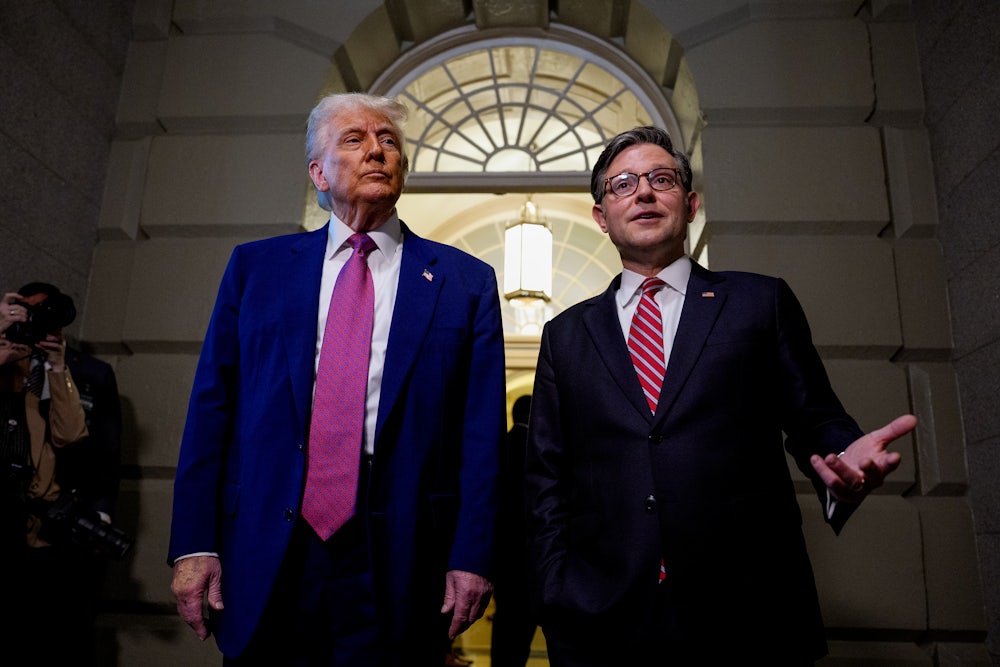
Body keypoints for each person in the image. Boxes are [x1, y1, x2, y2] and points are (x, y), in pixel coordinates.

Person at [523, 126, 918, 666]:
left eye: (661, 179)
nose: (644, 192)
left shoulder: (759, 302)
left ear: (689, 205)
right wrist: (555, 588)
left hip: (747, 606)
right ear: (601, 216)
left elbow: (815, 418)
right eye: (623, 184)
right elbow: (546, 476)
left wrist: (844, 458)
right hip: (603, 615)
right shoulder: (565, 335)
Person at [168, 92, 507, 666]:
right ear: (318, 173)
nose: (377, 150)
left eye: (388, 141)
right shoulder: (256, 268)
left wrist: (472, 555)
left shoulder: (464, 281)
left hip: (400, 550)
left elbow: (481, 436)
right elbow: (212, 409)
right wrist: (194, 544)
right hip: (268, 542)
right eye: (355, 139)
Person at [0, 282, 123, 666]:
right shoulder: (8, 361)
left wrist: (56, 365)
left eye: (47, 315)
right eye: (29, 311)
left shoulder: (82, 370)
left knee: (58, 637)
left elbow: (80, 438)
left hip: (54, 527)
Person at [490, 394, 536, 667]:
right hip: (527, 549)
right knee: (522, 622)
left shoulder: (501, 446)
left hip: (502, 550)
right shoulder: (535, 450)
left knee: (504, 616)